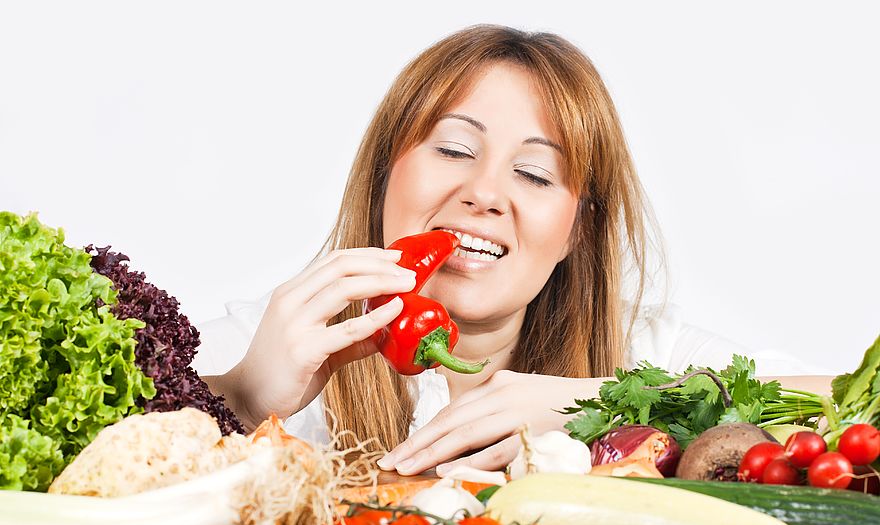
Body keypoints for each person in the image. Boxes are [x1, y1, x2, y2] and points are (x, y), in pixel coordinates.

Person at [199, 25, 830, 477]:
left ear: (578, 229)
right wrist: (241, 397)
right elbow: (104, 450)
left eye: (534, 173)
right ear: (386, 171)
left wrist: (596, 400)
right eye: (453, 150)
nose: (486, 194)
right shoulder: (278, 338)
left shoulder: (646, 353)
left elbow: (844, 398)